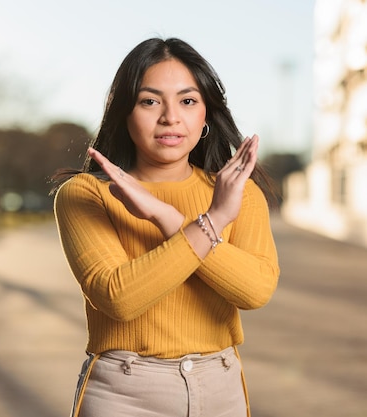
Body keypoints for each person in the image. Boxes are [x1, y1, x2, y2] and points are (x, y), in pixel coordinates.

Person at [50, 37, 280, 417]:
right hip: (123, 393)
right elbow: (118, 298)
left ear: (206, 113)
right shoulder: (85, 194)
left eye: (187, 101)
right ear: (124, 112)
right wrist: (213, 221)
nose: (170, 117)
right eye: (149, 101)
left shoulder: (238, 194)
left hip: (220, 389)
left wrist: (168, 217)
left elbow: (255, 291)